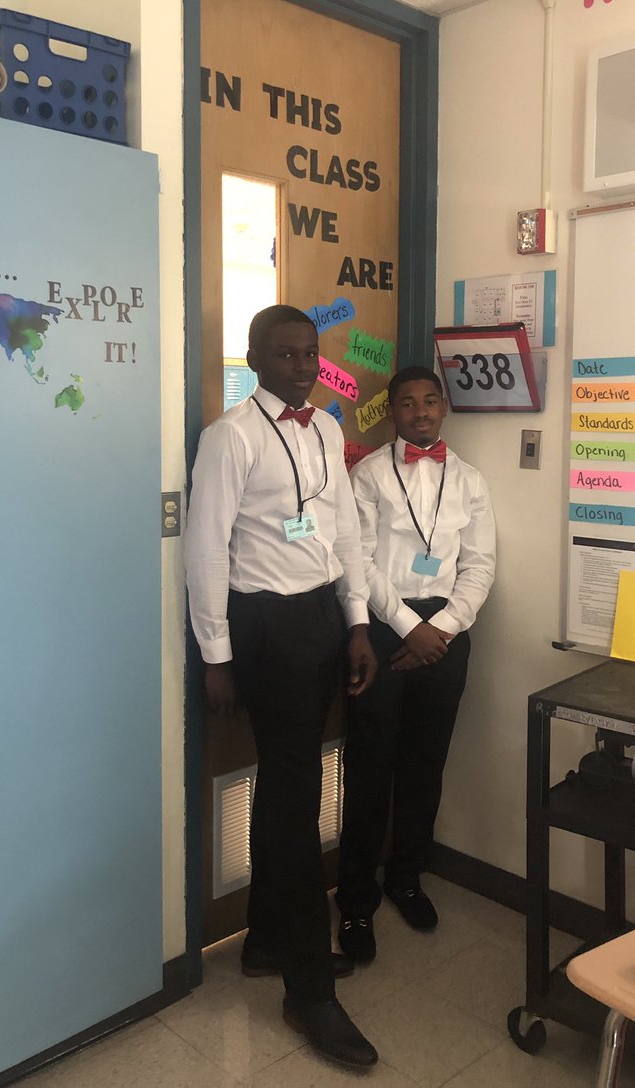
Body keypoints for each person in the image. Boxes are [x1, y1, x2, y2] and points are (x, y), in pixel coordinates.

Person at [184, 304, 379, 1070]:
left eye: (310, 353)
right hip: (265, 627)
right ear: (255, 358)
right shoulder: (230, 436)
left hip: (323, 618)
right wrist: (216, 656)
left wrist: (357, 622)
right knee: (296, 804)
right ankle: (308, 992)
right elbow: (205, 549)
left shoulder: (326, 428)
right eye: (286, 354)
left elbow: (344, 531)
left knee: (288, 789)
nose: (302, 366)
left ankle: (266, 938)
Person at [336, 366, 496, 964]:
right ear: (393, 411)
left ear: (444, 407)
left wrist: (444, 628)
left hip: (447, 635)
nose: (421, 411)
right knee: (370, 768)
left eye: (431, 401)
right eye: (408, 403)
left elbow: (480, 564)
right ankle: (355, 900)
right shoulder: (369, 475)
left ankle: (406, 878)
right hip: (383, 631)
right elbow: (359, 561)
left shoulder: (470, 480)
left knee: (426, 766)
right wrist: (410, 628)